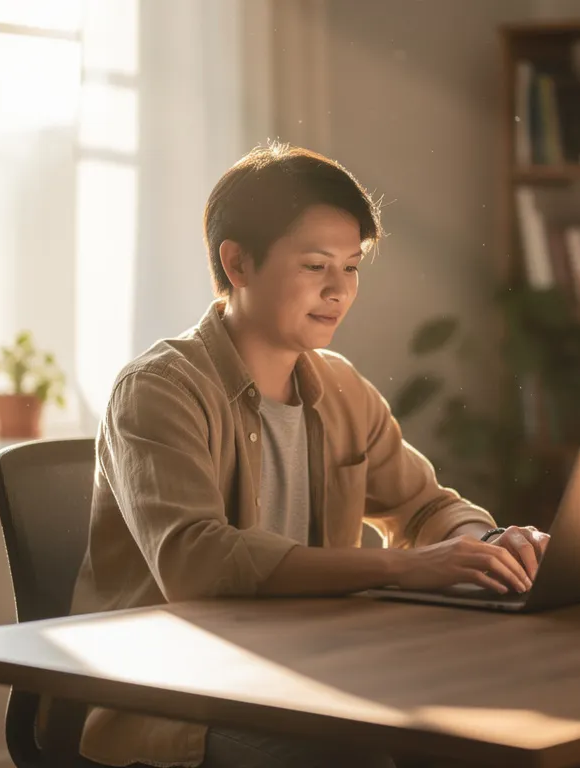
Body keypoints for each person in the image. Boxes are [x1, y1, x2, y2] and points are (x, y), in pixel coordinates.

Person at [66, 142, 550, 768]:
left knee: (502, 723)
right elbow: (196, 561)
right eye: (316, 266)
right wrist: (400, 568)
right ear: (238, 263)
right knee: (366, 759)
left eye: (351, 267)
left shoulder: (340, 385)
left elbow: (425, 506)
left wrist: (489, 544)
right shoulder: (159, 389)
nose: (339, 290)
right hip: (183, 699)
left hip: (312, 674)